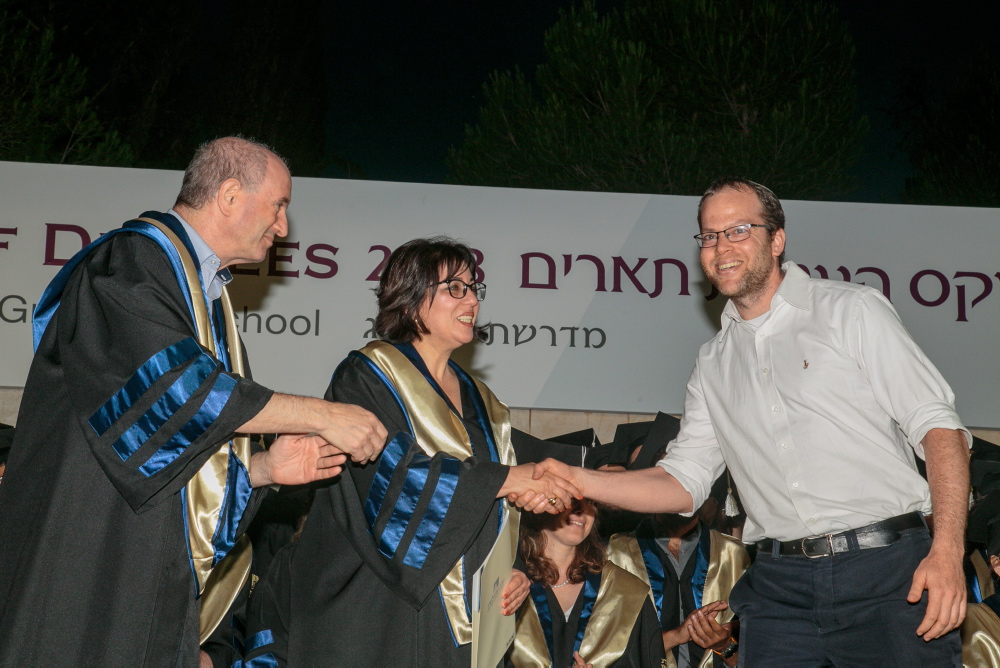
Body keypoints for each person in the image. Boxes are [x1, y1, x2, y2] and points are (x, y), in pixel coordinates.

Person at [518, 178, 971, 665]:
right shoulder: (712, 362)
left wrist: (947, 551)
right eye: (709, 236)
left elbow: (939, 430)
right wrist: (576, 479)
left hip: (888, 574)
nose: (721, 247)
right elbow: (682, 482)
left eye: (738, 230)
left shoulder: (851, 311)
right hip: (778, 587)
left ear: (777, 240)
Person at [0, 137, 387, 666]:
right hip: (84, 552)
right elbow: (179, 391)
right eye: (278, 206)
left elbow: (173, 445)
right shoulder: (132, 260)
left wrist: (263, 470)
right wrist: (324, 414)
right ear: (229, 196)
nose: (283, 228)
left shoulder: (206, 297)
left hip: (137, 565)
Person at [241, 237, 580, 666]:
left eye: (474, 287)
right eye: (455, 287)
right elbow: (395, 480)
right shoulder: (367, 376)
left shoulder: (485, 403)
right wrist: (509, 479)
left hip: (460, 625)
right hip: (379, 609)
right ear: (412, 299)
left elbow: (495, 508)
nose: (472, 299)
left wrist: (507, 571)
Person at [509, 498, 664, 667]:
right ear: (538, 502)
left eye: (589, 501)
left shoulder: (627, 592)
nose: (581, 509)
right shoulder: (507, 583)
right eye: (569, 498)